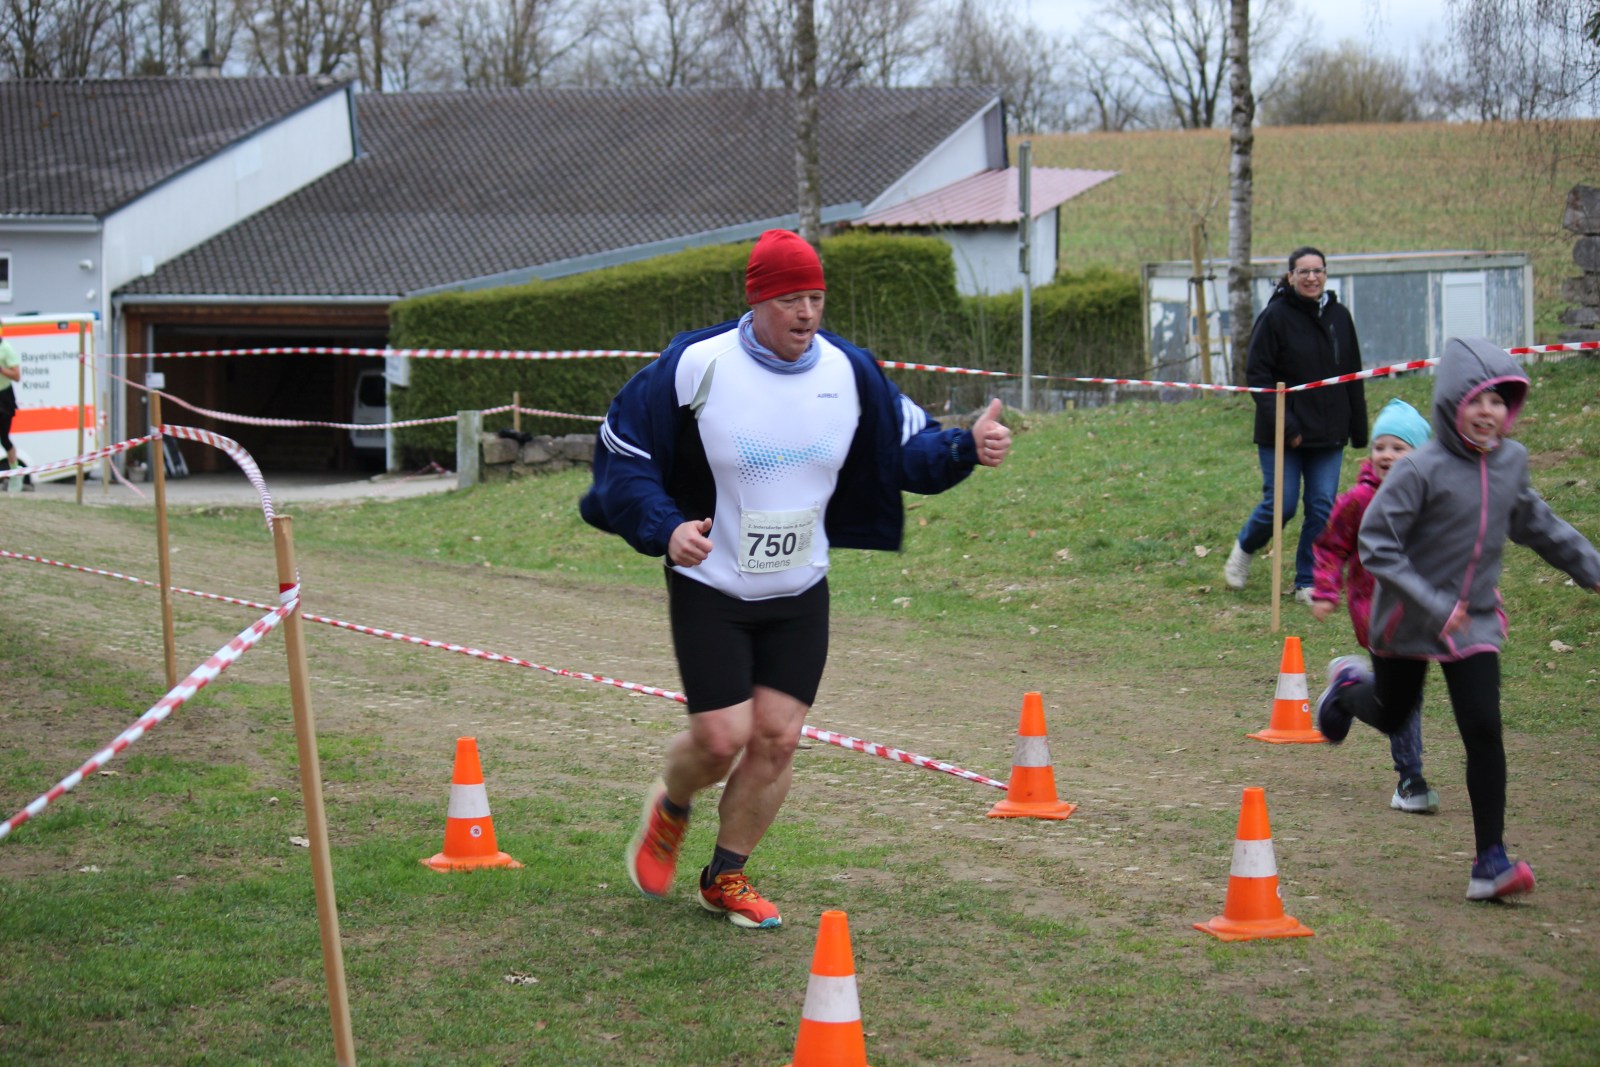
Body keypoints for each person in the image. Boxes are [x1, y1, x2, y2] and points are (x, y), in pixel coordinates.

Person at [579, 230, 1012, 929]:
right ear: (756, 301)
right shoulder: (696, 364)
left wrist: (965, 446)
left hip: (800, 590)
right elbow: (624, 452)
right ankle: (673, 803)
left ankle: (726, 876)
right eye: (789, 300)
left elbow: (907, 446)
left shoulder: (849, 370)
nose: (806, 313)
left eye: (815, 297)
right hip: (712, 583)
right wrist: (666, 527)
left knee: (778, 738)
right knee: (720, 740)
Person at [1315, 337, 1600, 902]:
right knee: (1393, 713)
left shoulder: (1510, 463)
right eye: (1477, 400)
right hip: (1408, 618)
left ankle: (1490, 861)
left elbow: (1539, 525)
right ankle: (1347, 691)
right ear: (1452, 402)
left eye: (1499, 400)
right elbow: (1376, 545)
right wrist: (1433, 604)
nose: (1488, 412)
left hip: (1474, 621)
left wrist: (1592, 569)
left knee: (1483, 727)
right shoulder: (1419, 469)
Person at [1308, 398, 1438, 814]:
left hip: (1424, 615)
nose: (1386, 455)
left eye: (1399, 448)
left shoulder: (1432, 501)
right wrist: (1325, 591)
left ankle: (1348, 686)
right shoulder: (1359, 500)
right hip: (1377, 615)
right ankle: (1410, 779)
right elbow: (1330, 546)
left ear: (1420, 456)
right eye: (1380, 446)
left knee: (1397, 698)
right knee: (1406, 701)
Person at [1224, 247, 1368, 604]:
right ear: (1290, 276)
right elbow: (1257, 374)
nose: (1311, 278)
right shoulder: (1274, 316)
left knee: (1321, 507)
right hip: (1282, 433)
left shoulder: (1340, 316)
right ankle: (1245, 547)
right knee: (1282, 505)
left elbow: (1353, 372)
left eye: (1317, 271)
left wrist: (1358, 426)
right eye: (1303, 271)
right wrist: (1286, 425)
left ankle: (1308, 580)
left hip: (1329, 432)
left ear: (1326, 274)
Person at [0, 322, 23, 491]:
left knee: (4, 438)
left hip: (4, 397)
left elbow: (16, 375)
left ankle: (15, 473)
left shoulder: (6, 348)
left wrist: (1, 369)